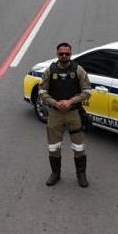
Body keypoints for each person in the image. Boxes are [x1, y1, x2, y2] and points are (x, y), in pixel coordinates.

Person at [38, 43, 92, 187]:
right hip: (55, 114)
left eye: (67, 54)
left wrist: (70, 101)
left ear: (70, 54)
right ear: (57, 54)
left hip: (74, 113)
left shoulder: (78, 70)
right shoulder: (50, 70)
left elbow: (87, 91)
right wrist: (55, 103)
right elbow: (42, 91)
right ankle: (55, 173)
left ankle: (81, 175)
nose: (64, 56)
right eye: (61, 53)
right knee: (53, 147)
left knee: (79, 147)